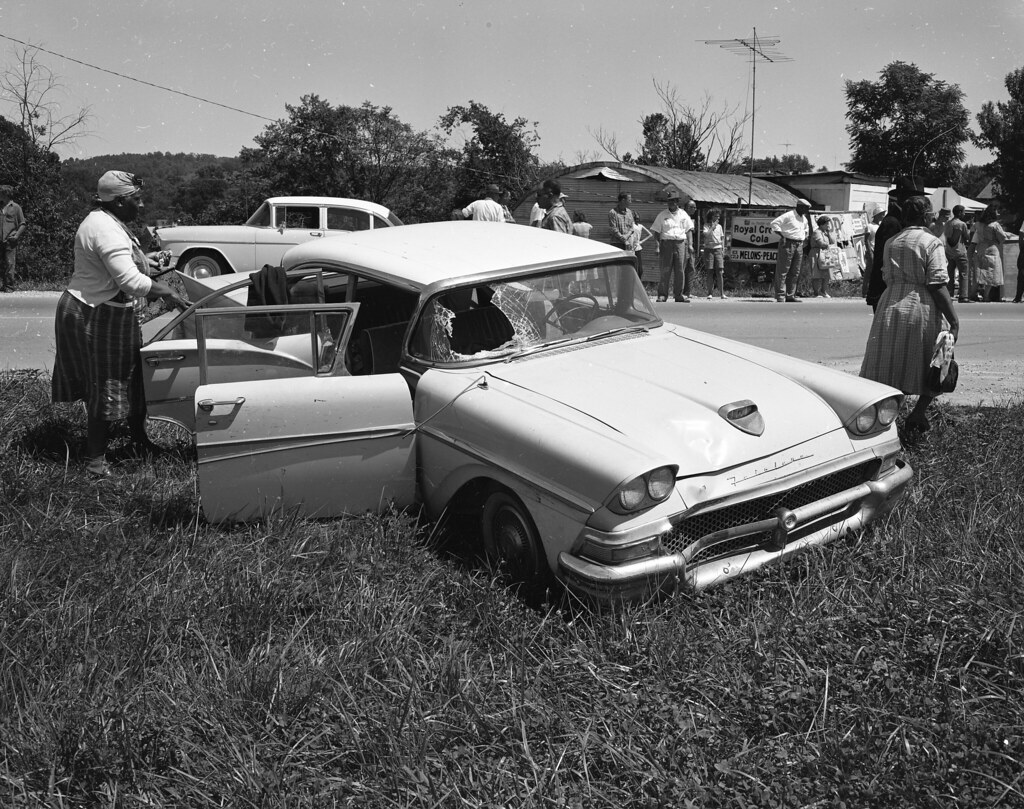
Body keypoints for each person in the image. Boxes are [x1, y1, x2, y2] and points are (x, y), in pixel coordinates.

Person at [51, 171, 189, 479]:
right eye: (137, 200)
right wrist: (168, 292)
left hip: (109, 311)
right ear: (119, 201)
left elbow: (123, 264)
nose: (141, 205)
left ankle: (138, 440)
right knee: (106, 383)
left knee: (132, 377)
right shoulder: (104, 228)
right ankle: (95, 462)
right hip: (94, 313)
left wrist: (149, 261)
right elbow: (128, 280)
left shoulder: (109, 221)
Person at [860, 195, 959, 433]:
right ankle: (917, 414)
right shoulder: (931, 242)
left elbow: (884, 274)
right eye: (932, 214)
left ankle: (886, 420)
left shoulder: (892, 242)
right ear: (926, 216)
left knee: (891, 363)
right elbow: (936, 283)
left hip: (890, 305)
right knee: (934, 361)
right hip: (920, 306)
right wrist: (954, 320)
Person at [866, 176, 923, 311]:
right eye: (916, 200)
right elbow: (885, 261)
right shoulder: (892, 223)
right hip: (887, 292)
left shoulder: (904, 221)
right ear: (905, 200)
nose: (921, 204)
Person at [650, 191, 693, 302]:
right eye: (669, 201)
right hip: (666, 244)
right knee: (665, 270)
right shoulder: (662, 215)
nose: (671, 203)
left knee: (680, 270)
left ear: (677, 202)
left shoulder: (683, 214)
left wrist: (690, 245)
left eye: (673, 201)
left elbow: (689, 230)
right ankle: (662, 295)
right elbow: (656, 232)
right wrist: (657, 246)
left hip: (680, 243)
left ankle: (678, 295)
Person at [770, 198, 811, 302]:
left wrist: (804, 237)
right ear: (799, 206)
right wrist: (782, 236)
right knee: (783, 270)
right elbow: (774, 224)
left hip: (799, 245)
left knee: (795, 271)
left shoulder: (804, 218)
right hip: (788, 243)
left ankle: (790, 295)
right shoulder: (789, 215)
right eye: (806, 208)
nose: (807, 211)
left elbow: (806, 229)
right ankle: (779, 295)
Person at [974, 204, 1007, 302]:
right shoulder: (995, 225)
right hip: (992, 249)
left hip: (980, 248)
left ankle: (977, 292)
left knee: (981, 272)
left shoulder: (979, 224)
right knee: (991, 273)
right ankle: (986, 296)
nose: (998, 213)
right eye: (997, 211)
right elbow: (1002, 237)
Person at [0, 185, 27, 292]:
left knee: (9, 264)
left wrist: (16, 236)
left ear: (6, 194)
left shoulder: (16, 207)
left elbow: (23, 224)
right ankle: (3, 285)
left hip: (10, 240)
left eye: (1, 193)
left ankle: (9, 286)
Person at [943, 204, 971, 302]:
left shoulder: (947, 223)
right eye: (963, 212)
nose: (964, 214)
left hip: (949, 252)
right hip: (960, 252)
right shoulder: (961, 224)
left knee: (949, 274)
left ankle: (949, 294)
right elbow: (967, 237)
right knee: (963, 274)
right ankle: (963, 296)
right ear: (959, 212)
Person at [809, 215, 836, 298]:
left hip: (825, 254)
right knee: (816, 274)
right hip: (816, 253)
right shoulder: (817, 232)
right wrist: (827, 245)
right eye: (826, 224)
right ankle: (816, 293)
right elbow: (820, 243)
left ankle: (823, 291)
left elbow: (832, 241)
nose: (828, 226)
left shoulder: (826, 232)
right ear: (821, 224)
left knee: (826, 274)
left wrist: (829, 233)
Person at [702, 209, 726, 299]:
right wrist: (712, 227)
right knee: (710, 271)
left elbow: (722, 238)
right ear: (711, 217)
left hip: (718, 249)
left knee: (720, 271)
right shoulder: (706, 226)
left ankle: (722, 293)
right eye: (716, 216)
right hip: (709, 249)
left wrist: (723, 249)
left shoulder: (720, 226)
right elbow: (706, 235)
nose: (718, 218)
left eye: (718, 216)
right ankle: (709, 293)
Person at [683, 199, 699, 301]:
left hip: (690, 245)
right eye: (692, 207)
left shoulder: (690, 219)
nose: (694, 209)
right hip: (684, 244)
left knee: (690, 268)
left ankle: (688, 291)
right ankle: (680, 291)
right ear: (686, 208)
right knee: (683, 268)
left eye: (695, 207)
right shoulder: (682, 217)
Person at [632, 216, 653, 281]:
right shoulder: (631, 225)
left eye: (638, 219)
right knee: (633, 266)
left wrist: (641, 242)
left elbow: (650, 234)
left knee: (640, 268)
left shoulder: (640, 226)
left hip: (638, 247)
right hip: (632, 248)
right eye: (636, 219)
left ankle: (638, 281)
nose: (637, 220)